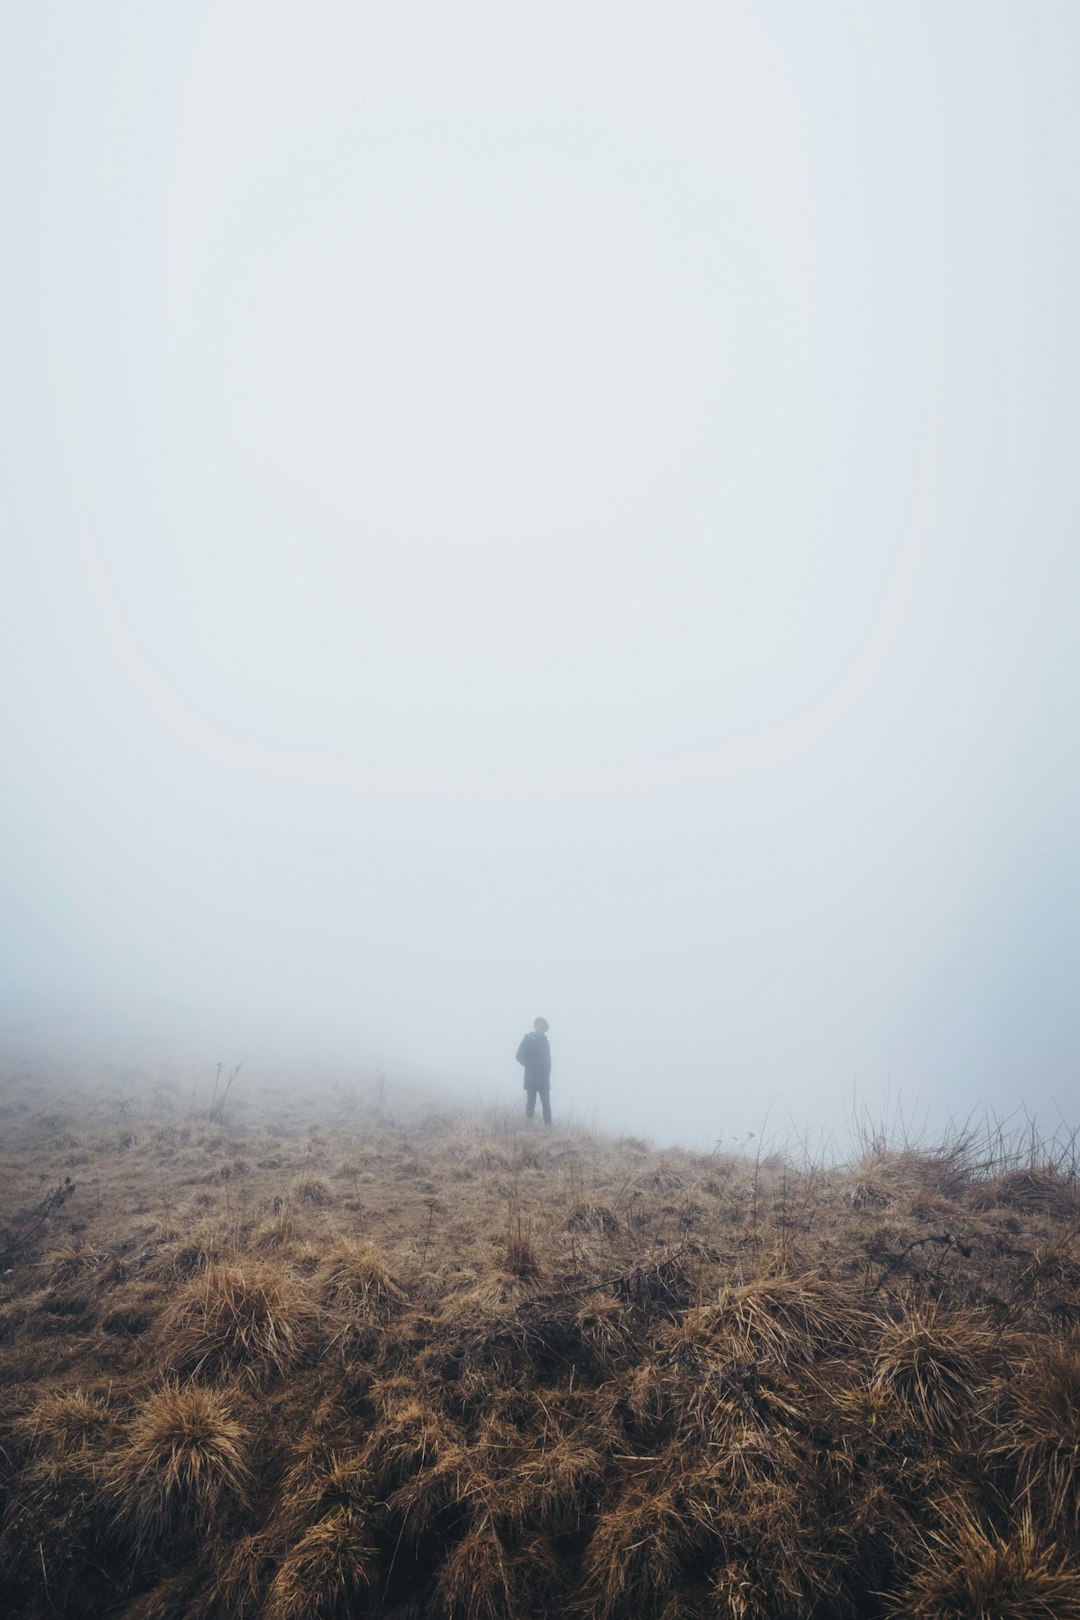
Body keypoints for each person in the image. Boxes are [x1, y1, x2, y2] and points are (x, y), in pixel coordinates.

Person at [516, 1017, 552, 1125]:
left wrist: (548, 1071)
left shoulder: (546, 1042)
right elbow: (519, 1056)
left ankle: (548, 1127)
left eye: (543, 1028)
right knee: (531, 1101)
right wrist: (530, 1066)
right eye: (539, 1026)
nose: (541, 1029)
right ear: (535, 1026)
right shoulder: (528, 1038)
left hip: (543, 1078)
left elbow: (548, 1059)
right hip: (531, 1077)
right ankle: (529, 1124)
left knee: (546, 1103)